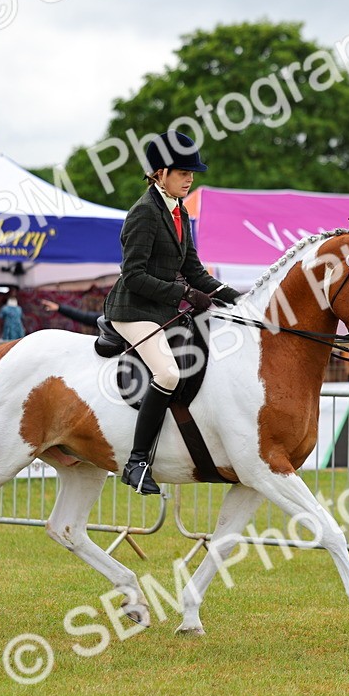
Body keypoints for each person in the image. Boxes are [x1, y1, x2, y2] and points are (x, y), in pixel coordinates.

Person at [104, 130, 242, 495]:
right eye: (183, 172)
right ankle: (137, 462)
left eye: (191, 172)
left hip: (161, 309)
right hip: (132, 310)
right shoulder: (144, 213)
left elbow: (194, 270)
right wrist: (183, 293)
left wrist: (233, 296)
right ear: (160, 172)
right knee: (167, 372)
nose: (190, 177)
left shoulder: (179, 210)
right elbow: (133, 276)